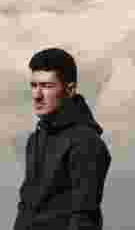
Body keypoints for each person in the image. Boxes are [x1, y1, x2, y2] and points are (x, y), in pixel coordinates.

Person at [14, 48, 112, 230]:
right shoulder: (36, 139)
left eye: (47, 86)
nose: (37, 95)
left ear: (70, 90)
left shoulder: (86, 143)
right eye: (34, 85)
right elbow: (25, 209)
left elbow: (83, 218)